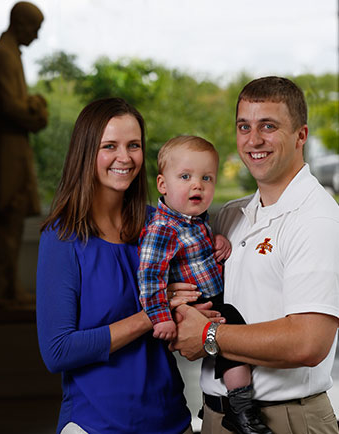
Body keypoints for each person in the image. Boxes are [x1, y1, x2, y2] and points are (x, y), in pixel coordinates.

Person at [170, 76, 339, 434]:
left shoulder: (317, 218)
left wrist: (209, 335)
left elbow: (309, 342)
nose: (254, 139)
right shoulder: (230, 216)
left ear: (301, 135)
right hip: (216, 416)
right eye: (244, 126)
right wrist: (177, 298)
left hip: (286, 419)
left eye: (269, 126)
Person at [36, 97, 202, 434]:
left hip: (171, 420)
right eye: (109, 146)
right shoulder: (63, 238)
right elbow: (58, 351)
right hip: (95, 424)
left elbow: (202, 291)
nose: (124, 158)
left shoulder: (160, 226)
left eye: (134, 145)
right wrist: (152, 313)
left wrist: (216, 243)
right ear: (86, 152)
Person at [138, 135, 272, 434]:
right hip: (197, 305)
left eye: (206, 178)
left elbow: (199, 248)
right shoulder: (162, 228)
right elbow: (149, 277)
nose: (197, 184)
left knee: (229, 343)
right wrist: (160, 318)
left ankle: (217, 402)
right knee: (233, 337)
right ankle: (241, 408)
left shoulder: (195, 221)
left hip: (212, 296)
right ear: (162, 184)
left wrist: (218, 240)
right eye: (185, 177)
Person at [0, 1, 47, 304]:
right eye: (35, 29)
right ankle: (2, 289)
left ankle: (8, 286)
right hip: (4, 155)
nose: (36, 36)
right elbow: (10, 106)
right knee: (5, 221)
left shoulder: (9, 54)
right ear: (21, 25)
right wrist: (36, 109)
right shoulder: (1, 56)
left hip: (13, 151)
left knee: (12, 219)